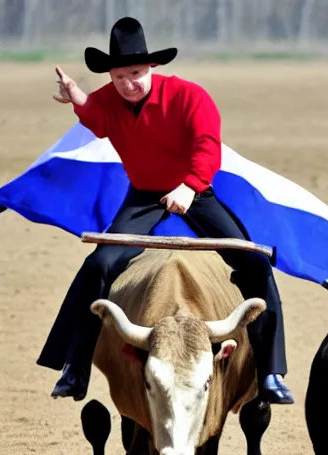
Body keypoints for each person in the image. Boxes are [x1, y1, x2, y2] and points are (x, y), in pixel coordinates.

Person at [36, 16, 294, 405]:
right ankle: (75, 365)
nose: (128, 83)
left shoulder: (190, 97)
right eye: (119, 76)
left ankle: (270, 372)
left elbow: (208, 147)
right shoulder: (109, 98)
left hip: (196, 192)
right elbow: (101, 123)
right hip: (142, 197)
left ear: (152, 67)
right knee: (99, 265)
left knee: (254, 265)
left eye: (136, 73)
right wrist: (80, 100)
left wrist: (189, 188)